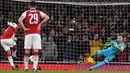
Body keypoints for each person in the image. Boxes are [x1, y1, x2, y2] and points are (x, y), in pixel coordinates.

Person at [18, 1, 49, 72]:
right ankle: (34, 68)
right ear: (36, 6)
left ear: (29, 6)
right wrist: (40, 24)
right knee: (36, 50)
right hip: (36, 33)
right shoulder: (39, 12)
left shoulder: (26, 12)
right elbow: (47, 17)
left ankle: (26, 68)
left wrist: (24, 28)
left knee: (27, 50)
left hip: (28, 33)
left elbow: (19, 20)